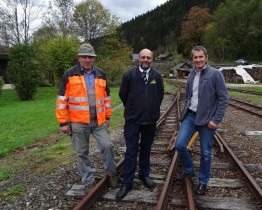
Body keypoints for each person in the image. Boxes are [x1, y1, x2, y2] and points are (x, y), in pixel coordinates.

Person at [55, 43, 117, 193]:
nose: (87, 60)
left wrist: (107, 116)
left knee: (107, 146)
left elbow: (107, 98)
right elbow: (62, 99)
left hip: (99, 122)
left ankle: (112, 173)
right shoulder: (69, 74)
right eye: (84, 57)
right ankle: (88, 180)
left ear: (94, 58)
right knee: (82, 152)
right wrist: (63, 122)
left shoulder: (101, 74)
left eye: (90, 57)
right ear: (79, 58)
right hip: (78, 123)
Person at [175, 45, 228, 195]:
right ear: (192, 59)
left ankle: (203, 181)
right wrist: (184, 114)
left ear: (206, 58)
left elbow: (224, 99)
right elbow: (188, 96)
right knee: (179, 145)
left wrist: (215, 120)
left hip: (207, 120)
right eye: (195, 57)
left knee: (205, 153)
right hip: (191, 116)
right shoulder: (191, 74)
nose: (198, 60)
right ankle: (189, 169)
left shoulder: (215, 74)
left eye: (200, 57)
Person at [116, 48, 164, 201]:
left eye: (148, 58)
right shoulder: (129, 75)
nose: (145, 60)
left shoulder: (157, 76)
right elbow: (123, 94)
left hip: (150, 121)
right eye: (143, 57)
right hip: (132, 121)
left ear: (152, 59)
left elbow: (160, 95)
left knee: (146, 149)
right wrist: (133, 108)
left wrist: (152, 109)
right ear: (139, 59)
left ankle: (144, 175)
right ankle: (127, 182)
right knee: (131, 151)